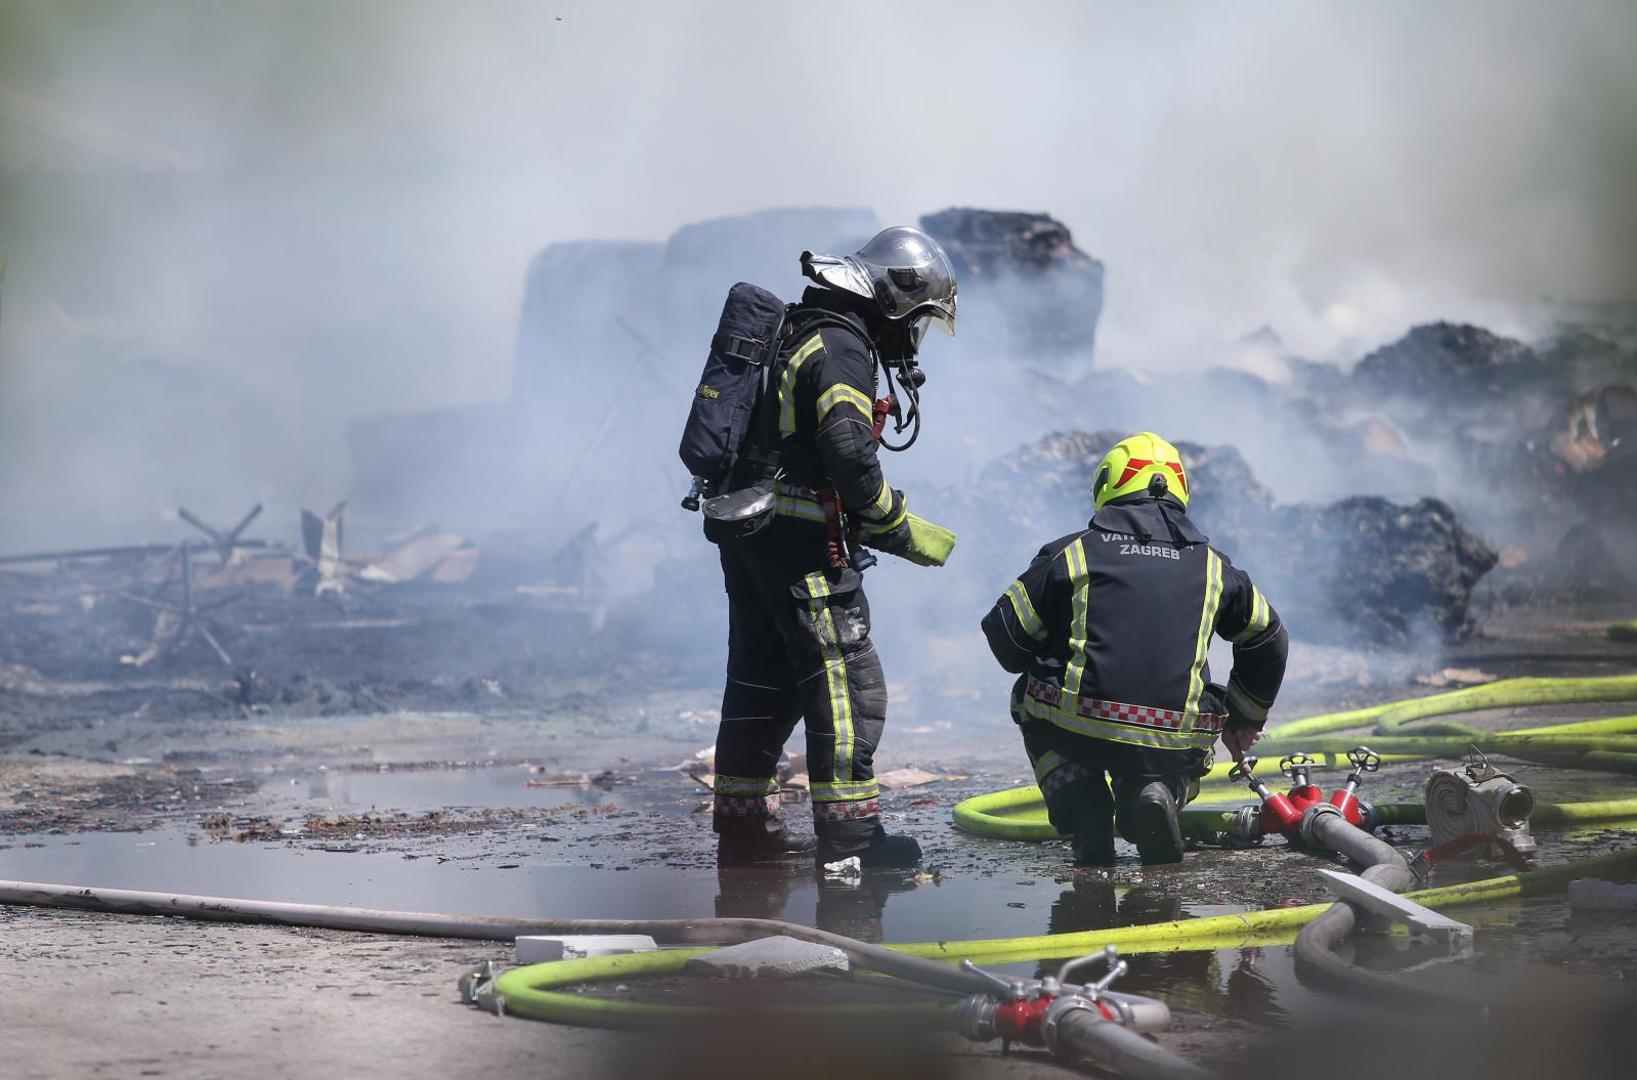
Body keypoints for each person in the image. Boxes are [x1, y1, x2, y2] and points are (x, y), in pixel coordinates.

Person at [711, 226, 958, 868]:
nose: (914, 334)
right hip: (802, 546)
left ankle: (743, 833)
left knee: (762, 682)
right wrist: (892, 522)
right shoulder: (844, 347)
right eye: (918, 317)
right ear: (894, 300)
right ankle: (851, 843)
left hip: (754, 537)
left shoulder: (801, 328)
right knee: (848, 686)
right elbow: (848, 450)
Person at [980, 431, 1288, 865]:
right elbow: (1268, 637)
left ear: (1108, 486)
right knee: (1190, 729)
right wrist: (1243, 717)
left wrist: (1055, 642)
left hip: (1077, 727)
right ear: (1180, 489)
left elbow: (1005, 639)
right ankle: (1158, 791)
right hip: (1174, 735)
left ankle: (1081, 800)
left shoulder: (1072, 555)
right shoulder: (1218, 568)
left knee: (1025, 695)